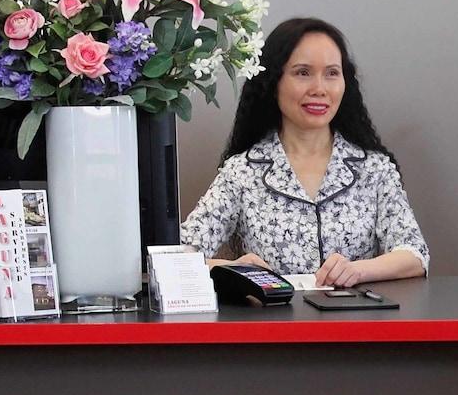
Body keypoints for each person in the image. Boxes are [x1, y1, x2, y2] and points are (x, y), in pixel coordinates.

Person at [181, 17, 430, 286]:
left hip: (356, 322)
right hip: (273, 323)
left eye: (332, 73)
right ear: (273, 81)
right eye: (303, 73)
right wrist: (230, 268)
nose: (319, 89)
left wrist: (358, 271)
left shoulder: (374, 168)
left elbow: (414, 254)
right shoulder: (243, 171)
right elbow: (178, 256)